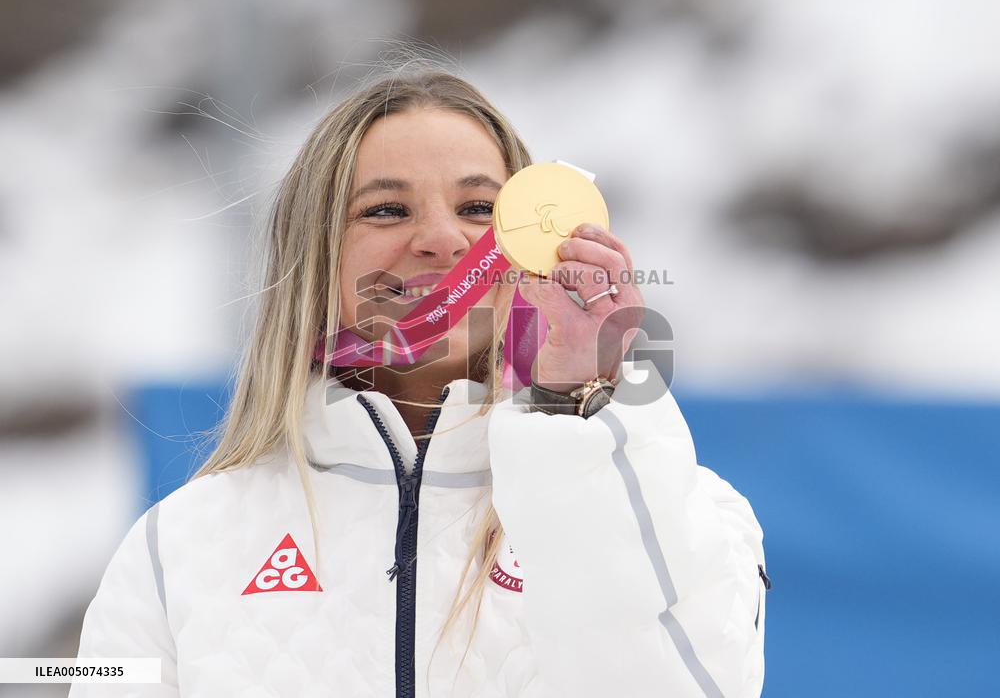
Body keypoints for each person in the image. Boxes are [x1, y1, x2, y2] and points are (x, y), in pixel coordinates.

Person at [70, 64, 769, 697]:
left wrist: (574, 414)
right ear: (316, 257)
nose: (443, 239)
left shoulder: (691, 511)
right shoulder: (179, 544)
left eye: (477, 209)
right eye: (385, 209)